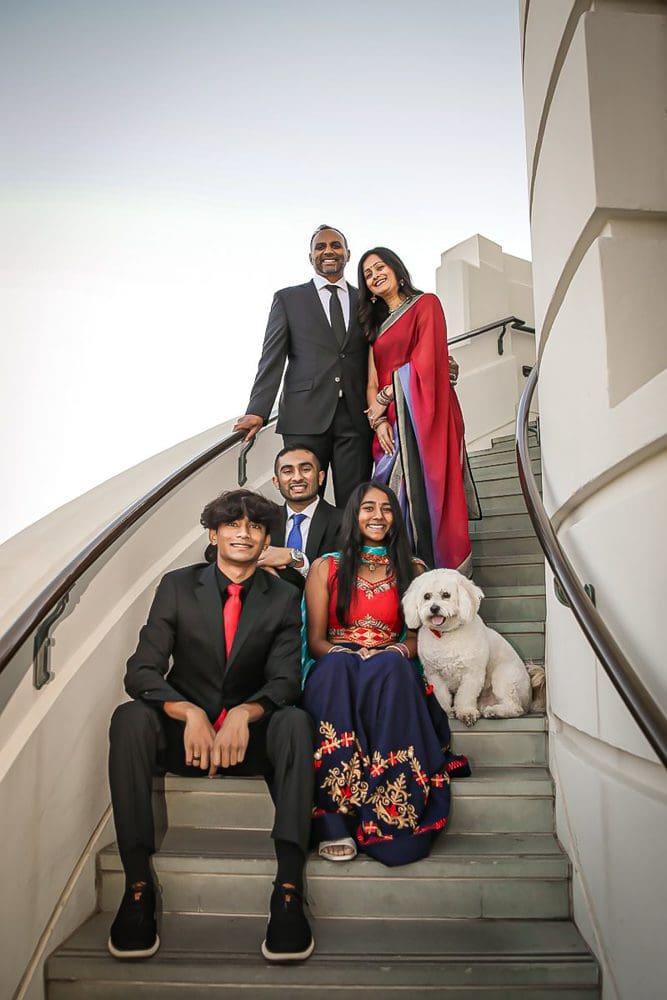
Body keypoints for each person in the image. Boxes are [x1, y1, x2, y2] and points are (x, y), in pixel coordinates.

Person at [107, 489, 316, 963]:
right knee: (130, 719)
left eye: (255, 526)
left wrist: (245, 713)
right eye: (232, 524)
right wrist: (189, 713)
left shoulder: (283, 597)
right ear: (213, 533)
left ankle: (288, 887)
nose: (244, 533)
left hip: (249, 742)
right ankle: (138, 886)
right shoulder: (178, 586)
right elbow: (141, 671)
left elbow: (286, 680)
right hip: (188, 740)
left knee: (296, 723)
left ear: (266, 539)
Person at [302, 482, 470, 867]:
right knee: (337, 666)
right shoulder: (325, 566)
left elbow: (416, 638)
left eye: (386, 509)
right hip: (338, 661)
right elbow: (315, 641)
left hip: (391, 664)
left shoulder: (414, 569)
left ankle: (391, 812)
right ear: (353, 515)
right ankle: (334, 817)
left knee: (391, 664)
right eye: (367, 508)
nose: (377, 516)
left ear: (396, 517)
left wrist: (391, 650)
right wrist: (354, 654)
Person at [233, 225, 373, 508]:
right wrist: (257, 410)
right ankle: (306, 554)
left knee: (355, 500)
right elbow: (271, 357)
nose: (328, 251)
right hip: (304, 416)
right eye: (320, 247)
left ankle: (348, 553)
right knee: (304, 499)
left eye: (335, 245)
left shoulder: (367, 300)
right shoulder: (288, 299)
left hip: (356, 418)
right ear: (311, 257)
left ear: (347, 253)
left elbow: (383, 351)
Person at [359, 247, 476, 575]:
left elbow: (427, 362)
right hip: (391, 423)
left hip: (427, 414)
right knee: (389, 497)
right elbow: (371, 380)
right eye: (368, 274)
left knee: (431, 490)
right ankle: (399, 582)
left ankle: (443, 580)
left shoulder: (426, 305)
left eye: (380, 267)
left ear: (396, 269)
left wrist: (386, 396)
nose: (375, 276)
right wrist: (378, 419)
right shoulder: (376, 330)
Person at [204, 446, 342, 592]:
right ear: (276, 481)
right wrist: (259, 565)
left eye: (306, 469)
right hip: (269, 607)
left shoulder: (346, 520)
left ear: (320, 477)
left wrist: (296, 559)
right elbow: (213, 553)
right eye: (288, 471)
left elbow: (349, 574)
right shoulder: (264, 517)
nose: (297, 477)